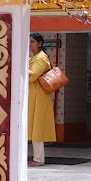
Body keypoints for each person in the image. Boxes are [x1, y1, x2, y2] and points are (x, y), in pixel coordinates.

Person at [28, 33, 58, 164]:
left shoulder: (40, 58)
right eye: (29, 42)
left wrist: (20, 66)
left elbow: (33, 76)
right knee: (34, 127)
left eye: (33, 42)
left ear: (40, 43)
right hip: (35, 96)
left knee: (37, 128)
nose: (30, 44)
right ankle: (36, 157)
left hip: (39, 97)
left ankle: (39, 159)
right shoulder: (35, 58)